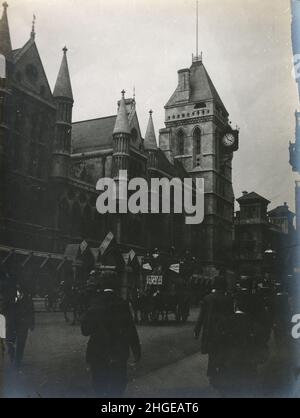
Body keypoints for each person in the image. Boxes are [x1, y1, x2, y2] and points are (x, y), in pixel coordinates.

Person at [81, 271, 141, 398]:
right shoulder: (123, 304)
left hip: (97, 353)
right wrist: (136, 350)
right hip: (118, 353)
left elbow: (85, 330)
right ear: (117, 286)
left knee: (99, 387)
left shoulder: (95, 303)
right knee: (117, 388)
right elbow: (131, 329)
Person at [194, 275, 234, 390]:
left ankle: (212, 377)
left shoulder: (207, 298)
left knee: (212, 355)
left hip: (210, 332)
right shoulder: (229, 299)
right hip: (224, 332)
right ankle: (221, 374)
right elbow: (231, 316)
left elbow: (201, 317)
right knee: (223, 354)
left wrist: (196, 330)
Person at [13, 283, 35, 369]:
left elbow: (31, 312)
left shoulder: (28, 299)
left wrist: (32, 324)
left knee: (21, 342)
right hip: (14, 323)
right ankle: (15, 358)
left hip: (23, 324)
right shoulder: (13, 298)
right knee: (12, 342)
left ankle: (18, 360)